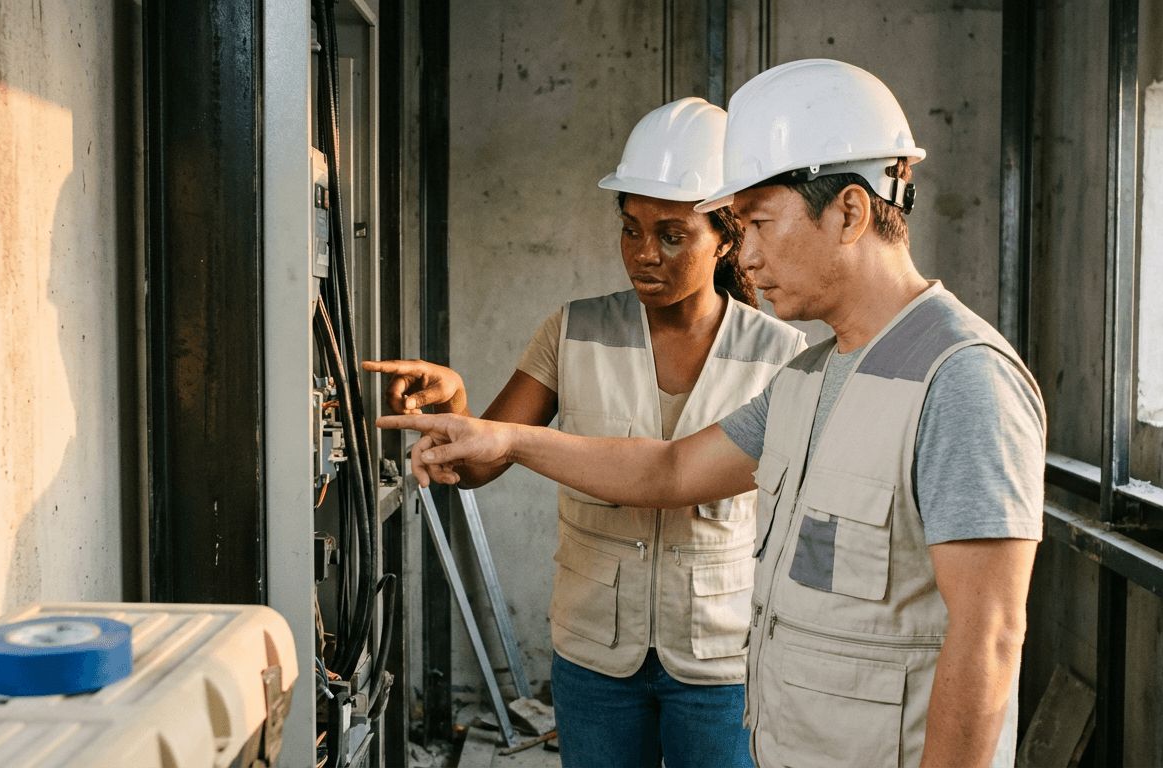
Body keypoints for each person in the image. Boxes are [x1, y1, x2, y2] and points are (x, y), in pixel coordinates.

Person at [379, 59, 1046, 768]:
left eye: (757, 222)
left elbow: (990, 635)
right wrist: (504, 438)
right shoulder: (810, 378)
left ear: (850, 212)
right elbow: (669, 470)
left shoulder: (961, 378)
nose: (745, 254)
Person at [363, 97, 805, 768]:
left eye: (672, 234)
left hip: (722, 660)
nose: (644, 254)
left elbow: (678, 475)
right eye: (630, 229)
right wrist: (455, 405)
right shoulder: (572, 332)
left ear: (727, 235)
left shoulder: (782, 355)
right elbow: (481, 463)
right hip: (596, 658)